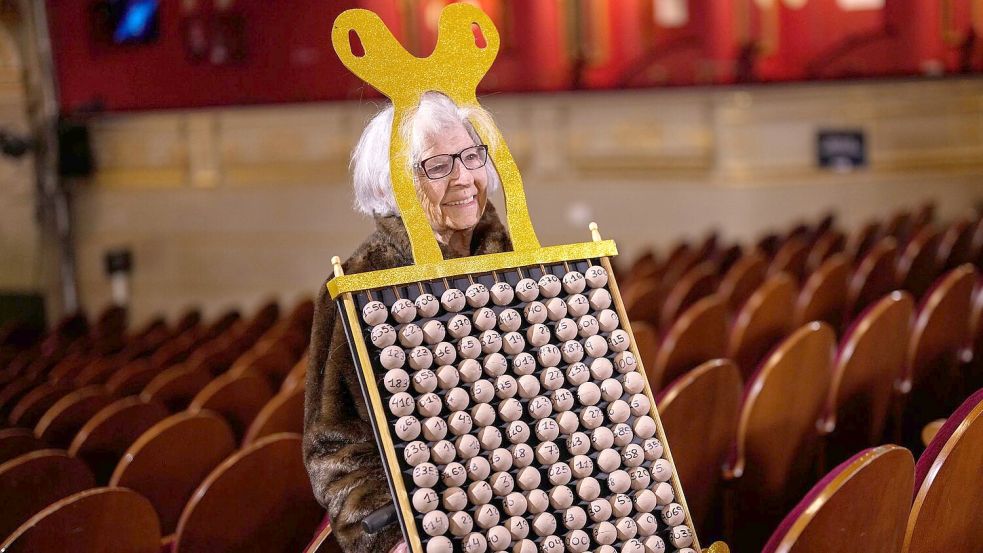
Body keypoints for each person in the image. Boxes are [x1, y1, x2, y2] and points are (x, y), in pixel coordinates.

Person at [304, 91, 513, 553]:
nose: (464, 178)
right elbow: (335, 450)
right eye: (437, 166)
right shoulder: (361, 283)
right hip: (431, 530)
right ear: (392, 184)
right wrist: (392, 539)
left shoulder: (519, 263)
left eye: (472, 157)